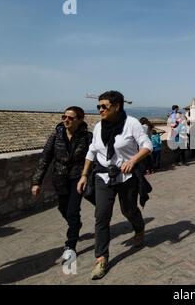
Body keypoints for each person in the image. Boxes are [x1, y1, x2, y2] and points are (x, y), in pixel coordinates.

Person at [77, 91, 152, 280]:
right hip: (103, 176)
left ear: (117, 106)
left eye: (104, 106)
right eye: (98, 106)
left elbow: (147, 145)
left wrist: (133, 160)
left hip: (126, 177)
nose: (100, 110)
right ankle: (101, 259)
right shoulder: (98, 127)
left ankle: (139, 227)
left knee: (128, 210)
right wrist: (84, 175)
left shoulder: (131, 124)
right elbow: (92, 151)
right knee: (101, 216)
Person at [31, 106, 95, 260]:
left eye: (71, 118)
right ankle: (76, 225)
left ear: (80, 120)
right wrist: (36, 182)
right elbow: (45, 159)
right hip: (59, 178)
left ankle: (70, 245)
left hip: (77, 178)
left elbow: (93, 157)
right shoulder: (56, 135)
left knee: (73, 211)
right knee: (63, 208)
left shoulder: (87, 137)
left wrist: (88, 176)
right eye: (64, 117)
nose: (66, 120)